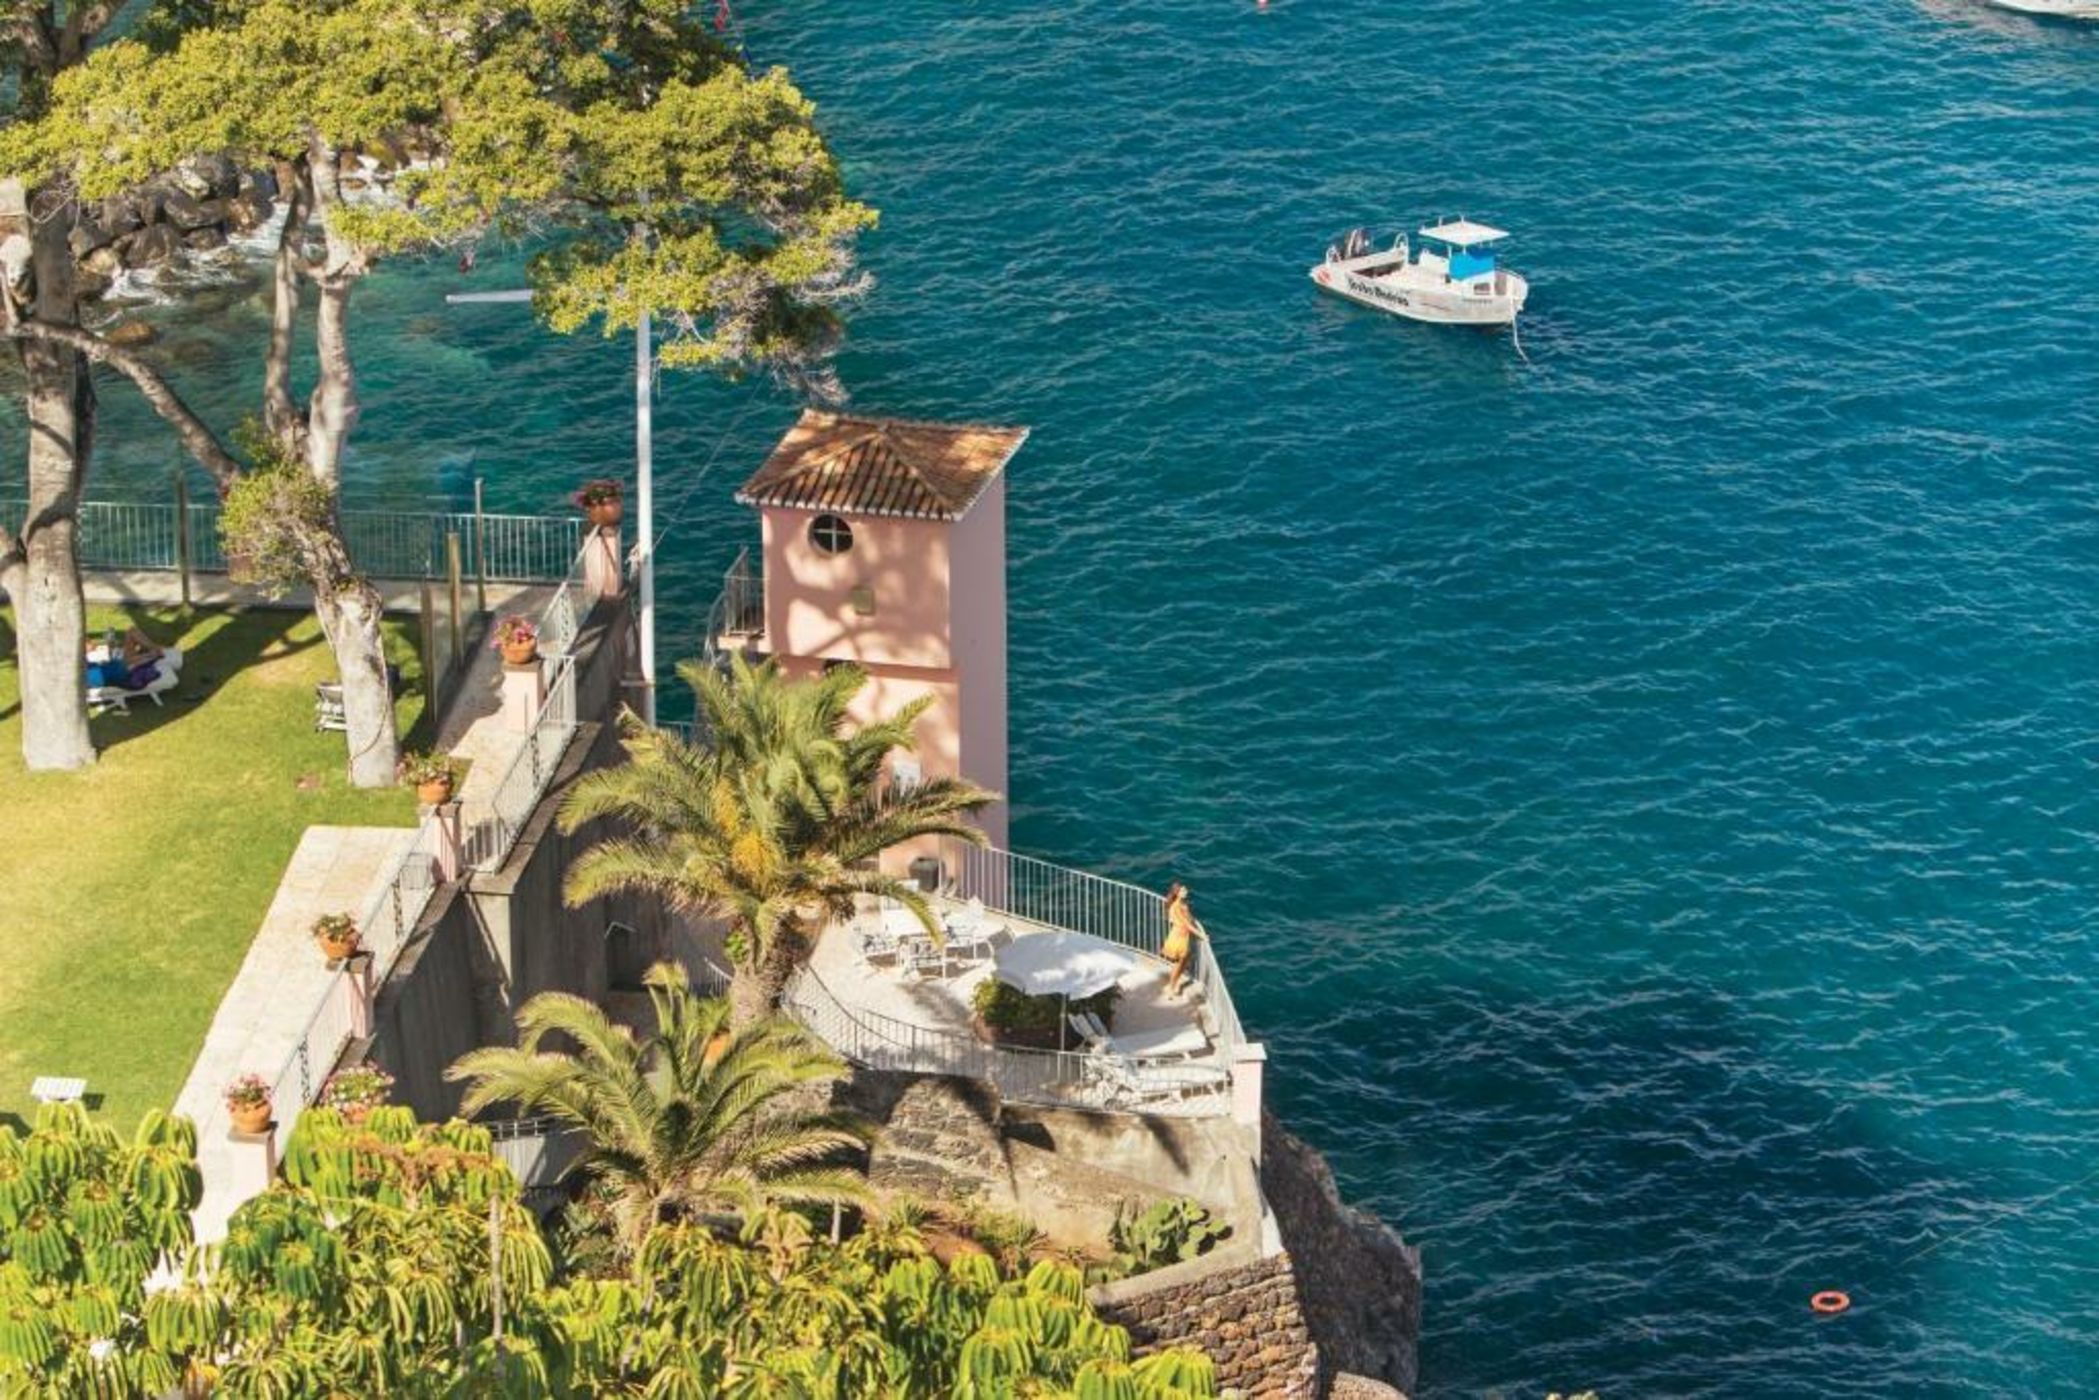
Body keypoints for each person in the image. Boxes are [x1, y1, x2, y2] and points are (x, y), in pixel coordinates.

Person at [1162, 882, 1208, 999]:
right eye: (1183, 890)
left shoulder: (1182, 904)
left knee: (1185, 961)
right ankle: (1171, 988)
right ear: (1177, 893)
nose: (1186, 892)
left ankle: (1174, 983)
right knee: (1178, 964)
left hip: (1184, 936)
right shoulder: (1176, 906)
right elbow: (1187, 924)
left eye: (1186, 890)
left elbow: (1189, 919)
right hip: (1178, 937)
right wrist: (1202, 935)